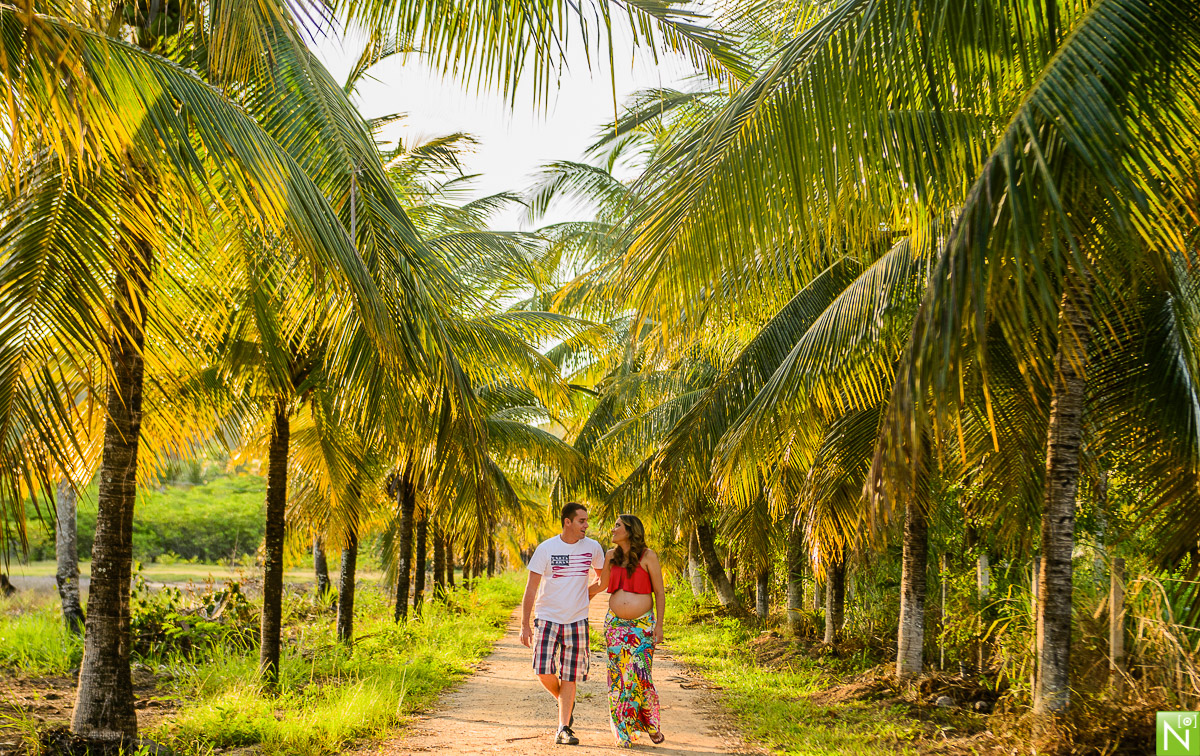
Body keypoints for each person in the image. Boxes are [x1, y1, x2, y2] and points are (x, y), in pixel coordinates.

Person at [519, 502, 605, 746]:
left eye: (586, 521)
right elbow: (531, 588)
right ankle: (564, 702)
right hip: (547, 617)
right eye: (581, 521)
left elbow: (602, 579)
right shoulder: (546, 548)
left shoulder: (593, 547)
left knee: (569, 675)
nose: (586, 525)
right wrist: (524, 624)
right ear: (568, 522)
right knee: (542, 669)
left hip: (577, 620)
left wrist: (585, 594)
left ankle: (563, 727)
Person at [598, 514, 665, 747]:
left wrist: (659, 625)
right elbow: (601, 585)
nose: (613, 529)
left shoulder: (648, 556)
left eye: (617, 525)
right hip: (615, 626)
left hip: (642, 626)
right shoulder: (611, 556)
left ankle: (651, 724)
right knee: (617, 678)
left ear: (630, 530)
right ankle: (622, 731)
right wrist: (571, 596)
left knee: (641, 675)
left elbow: (659, 592)